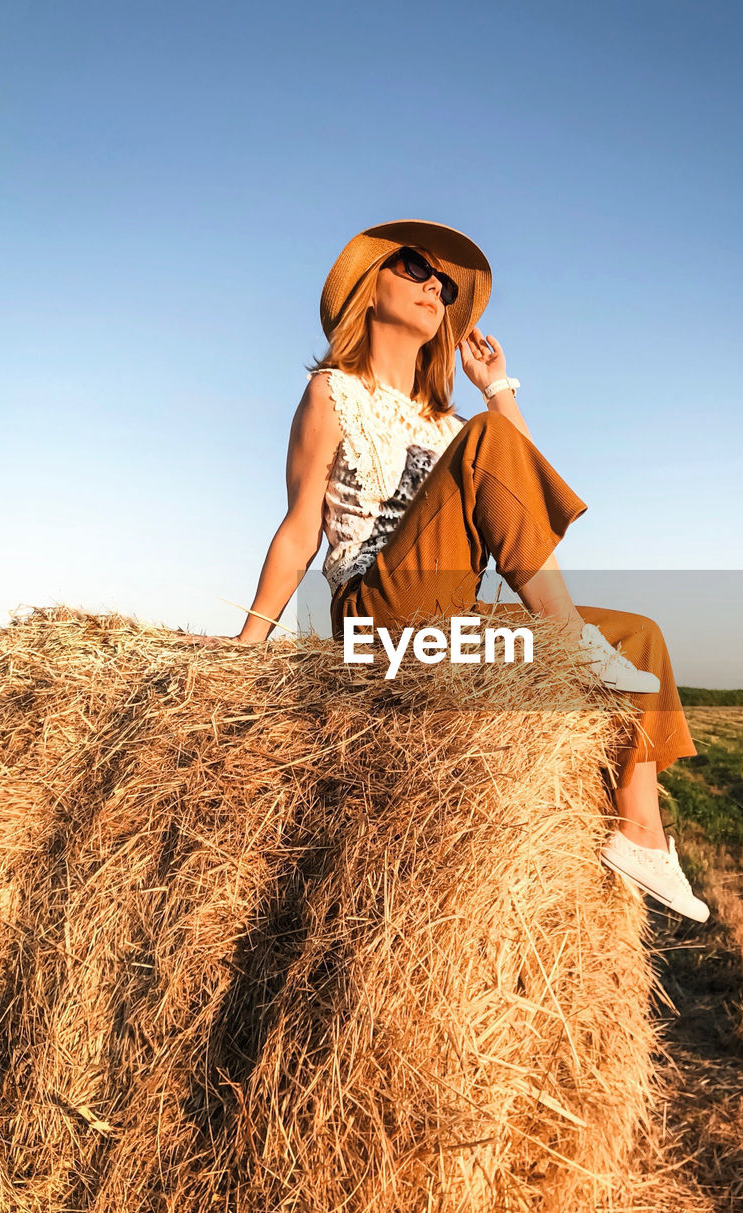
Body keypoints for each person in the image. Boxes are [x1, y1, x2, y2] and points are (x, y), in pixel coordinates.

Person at [185, 220, 708, 923]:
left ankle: (640, 831)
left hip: (447, 622)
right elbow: (301, 527)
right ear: (370, 292)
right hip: (376, 619)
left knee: (640, 637)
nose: (436, 285)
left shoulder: (453, 424)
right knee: (507, 491)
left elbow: (520, 479)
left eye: (446, 284)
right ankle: (568, 637)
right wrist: (248, 650)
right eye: (415, 268)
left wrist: (498, 388)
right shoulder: (332, 394)